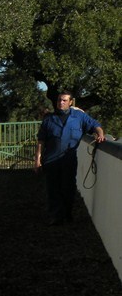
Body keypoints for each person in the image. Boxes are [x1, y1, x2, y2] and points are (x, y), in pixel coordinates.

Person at [35, 92, 106, 224]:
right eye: (59, 100)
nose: (61, 103)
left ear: (70, 102)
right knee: (53, 188)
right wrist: (37, 160)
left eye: (64, 100)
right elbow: (41, 141)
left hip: (69, 159)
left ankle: (67, 214)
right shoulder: (49, 119)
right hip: (51, 160)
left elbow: (94, 124)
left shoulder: (78, 116)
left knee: (68, 187)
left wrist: (100, 134)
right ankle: (56, 217)